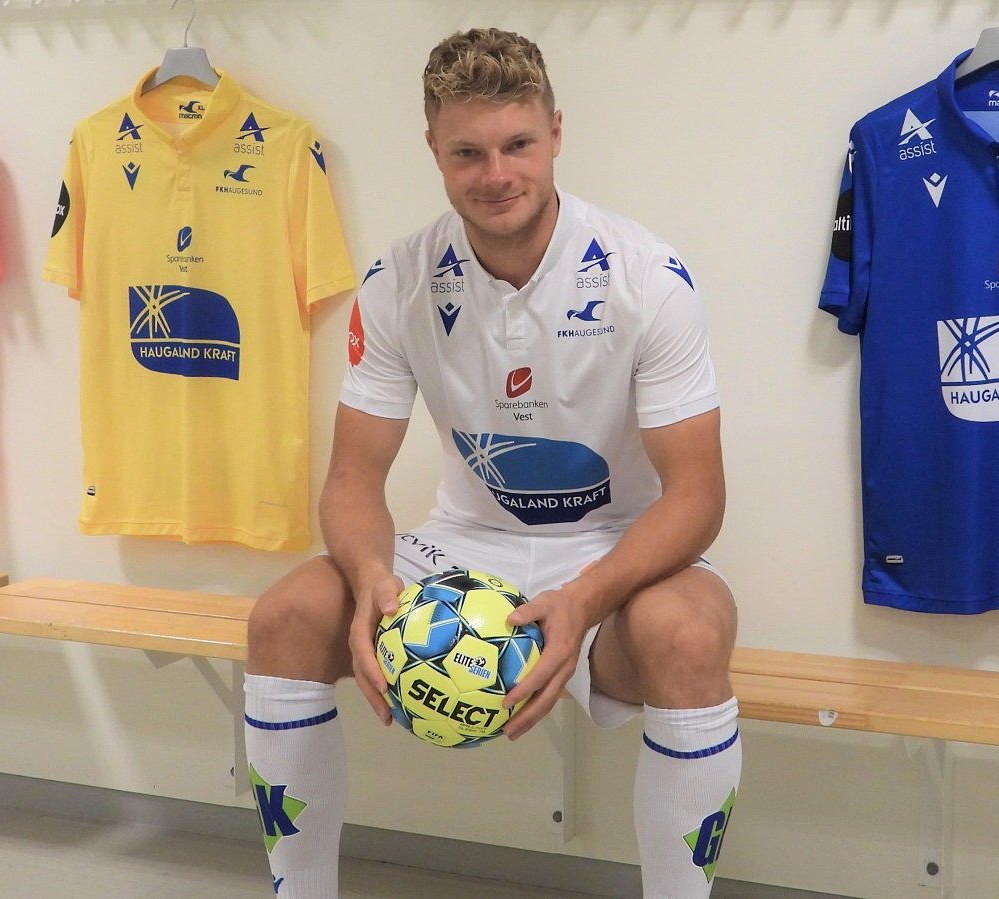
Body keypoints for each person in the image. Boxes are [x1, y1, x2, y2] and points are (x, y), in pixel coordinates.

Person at [244, 27, 739, 898]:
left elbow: (697, 495)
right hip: (462, 546)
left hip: (613, 549)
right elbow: (353, 479)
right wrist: (368, 578)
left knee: (690, 634)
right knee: (284, 615)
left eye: (518, 144)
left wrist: (586, 598)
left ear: (556, 133)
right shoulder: (398, 279)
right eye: (467, 152)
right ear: (433, 150)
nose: (497, 173)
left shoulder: (647, 275)